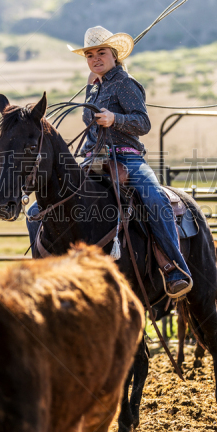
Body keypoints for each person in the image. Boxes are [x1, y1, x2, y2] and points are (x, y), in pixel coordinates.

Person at [26, 26, 193, 297]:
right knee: (37, 210)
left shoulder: (125, 83)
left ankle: (174, 268)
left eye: (101, 53)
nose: (95, 59)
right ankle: (46, 269)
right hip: (93, 159)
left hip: (126, 157)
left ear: (114, 54)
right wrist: (92, 88)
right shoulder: (94, 87)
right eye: (90, 55)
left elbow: (143, 123)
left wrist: (115, 119)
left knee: (154, 198)